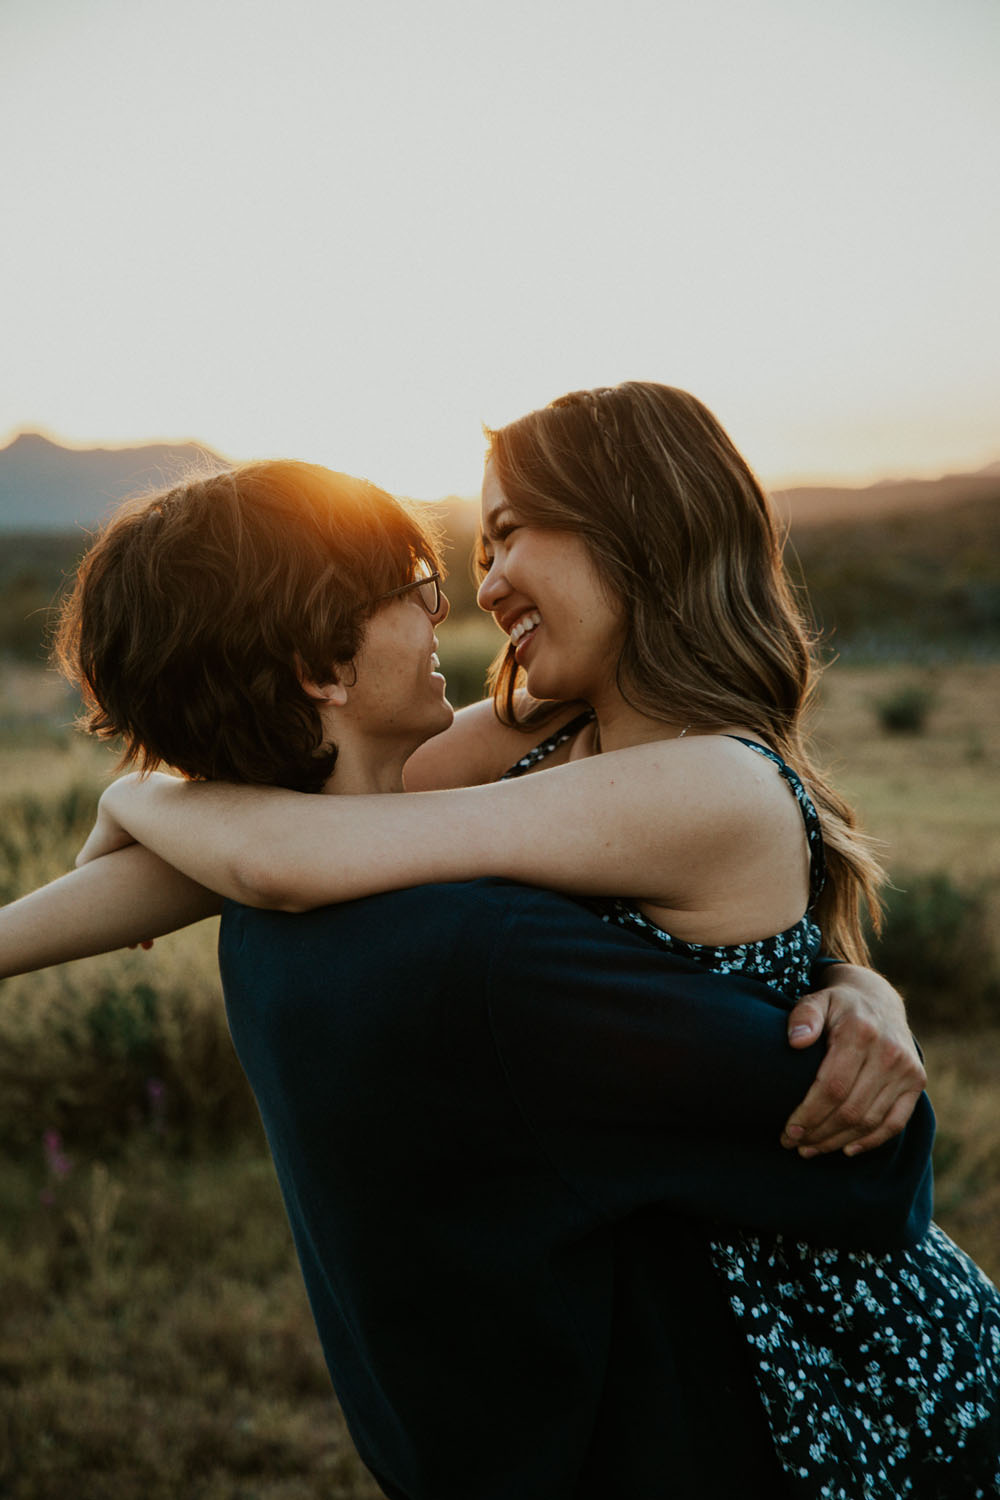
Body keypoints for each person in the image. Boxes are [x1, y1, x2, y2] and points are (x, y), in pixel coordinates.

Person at [0, 438, 991, 1493]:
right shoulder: (472, 955)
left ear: (634, 545)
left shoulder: (288, 908)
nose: (462, 598)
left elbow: (272, 846)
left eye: (506, 537)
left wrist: (145, 796)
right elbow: (869, 1158)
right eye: (427, 581)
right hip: (875, 1411)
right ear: (321, 666)